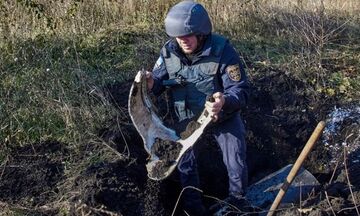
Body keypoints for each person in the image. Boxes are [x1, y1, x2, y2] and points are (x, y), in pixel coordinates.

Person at [146, 1, 250, 215]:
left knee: (235, 156)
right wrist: (150, 83)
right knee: (185, 164)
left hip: (221, 115)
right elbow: (157, 83)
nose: (183, 41)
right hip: (187, 120)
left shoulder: (222, 50)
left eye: (188, 36)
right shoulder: (168, 52)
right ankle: (194, 209)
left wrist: (224, 101)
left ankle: (237, 203)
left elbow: (240, 90)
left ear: (201, 33)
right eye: (178, 36)